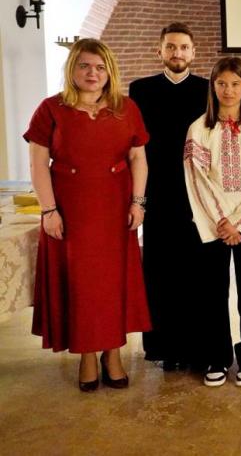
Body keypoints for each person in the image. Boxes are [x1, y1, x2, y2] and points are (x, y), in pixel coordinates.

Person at [25, 38, 150, 391]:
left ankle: (114, 353)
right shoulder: (50, 109)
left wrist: (138, 203)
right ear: (72, 69)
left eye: (99, 67)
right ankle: (87, 356)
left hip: (115, 209)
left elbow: (138, 158)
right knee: (82, 286)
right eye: (84, 66)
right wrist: (49, 210)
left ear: (109, 72)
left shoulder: (126, 108)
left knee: (112, 284)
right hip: (70, 210)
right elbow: (38, 164)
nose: (92, 73)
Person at [184, 57, 241, 388]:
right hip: (213, 224)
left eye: (235, 84)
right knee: (213, 292)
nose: (228, 90)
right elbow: (196, 179)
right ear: (213, 87)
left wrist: (239, 221)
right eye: (222, 83)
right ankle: (217, 356)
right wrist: (222, 220)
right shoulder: (200, 129)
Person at [129, 22, 209, 371]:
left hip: (197, 193)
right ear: (159, 50)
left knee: (195, 273)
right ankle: (164, 348)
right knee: (160, 273)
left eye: (184, 47)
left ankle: (194, 346)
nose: (178, 53)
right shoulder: (141, 90)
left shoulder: (207, 89)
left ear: (194, 52)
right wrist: (138, 198)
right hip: (157, 192)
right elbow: (134, 146)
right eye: (171, 47)